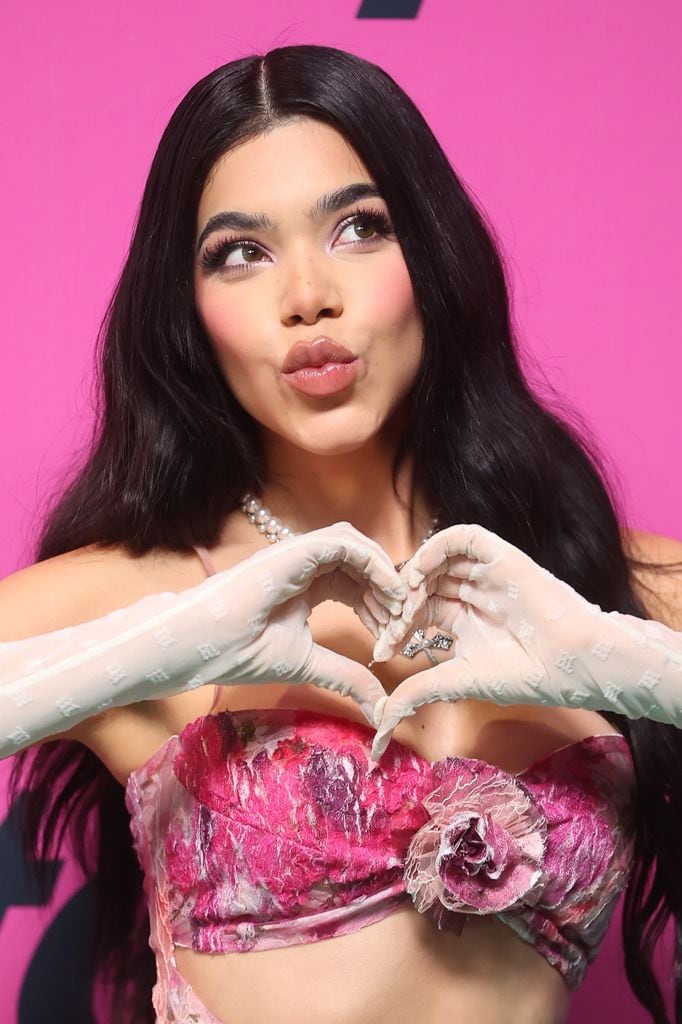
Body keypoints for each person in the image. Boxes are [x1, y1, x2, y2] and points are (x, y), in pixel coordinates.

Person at [2, 43, 682, 1024]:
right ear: (190, 313)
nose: (308, 295)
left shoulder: (593, 583)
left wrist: (626, 664)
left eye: (359, 228)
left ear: (431, 254)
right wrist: (140, 653)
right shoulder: (147, 595)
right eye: (240, 251)